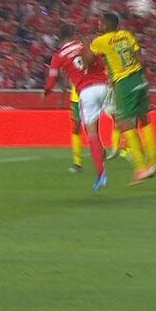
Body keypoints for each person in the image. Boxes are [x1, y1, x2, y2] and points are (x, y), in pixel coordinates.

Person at [84, 12, 156, 186]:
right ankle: (153, 161)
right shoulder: (127, 35)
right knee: (145, 120)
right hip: (139, 78)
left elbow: (87, 60)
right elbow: (141, 60)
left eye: (100, 23)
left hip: (124, 83)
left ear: (105, 25)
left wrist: (87, 48)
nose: (98, 25)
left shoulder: (100, 41)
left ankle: (141, 168)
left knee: (125, 124)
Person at [45, 24, 111, 191]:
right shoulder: (85, 45)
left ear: (60, 38)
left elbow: (52, 79)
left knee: (92, 134)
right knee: (121, 120)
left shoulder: (59, 55)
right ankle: (138, 156)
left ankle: (101, 174)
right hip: (104, 87)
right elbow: (101, 63)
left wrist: (46, 92)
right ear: (73, 35)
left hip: (87, 92)